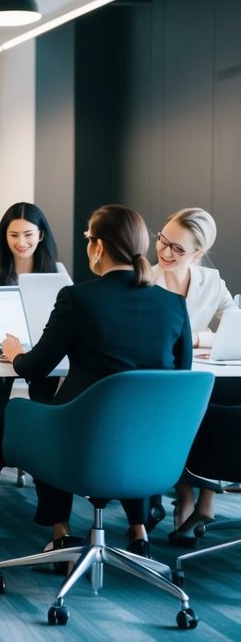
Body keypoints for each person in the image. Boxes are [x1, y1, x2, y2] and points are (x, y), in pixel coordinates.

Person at [1, 204, 191, 562]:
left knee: (42, 412)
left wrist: (14, 351)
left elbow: (36, 367)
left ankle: (62, 533)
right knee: (134, 419)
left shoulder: (77, 298)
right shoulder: (173, 305)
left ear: (98, 247)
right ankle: (139, 530)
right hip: (153, 445)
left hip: (81, 441)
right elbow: (181, 378)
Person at [0, 202, 62, 505]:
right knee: (9, 397)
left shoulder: (56, 272)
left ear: (42, 235)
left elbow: (62, 322)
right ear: (4, 237)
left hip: (40, 351)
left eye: (28, 234)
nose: (21, 242)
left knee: (41, 396)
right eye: (14, 235)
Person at [151, 208, 237, 543]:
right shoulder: (144, 278)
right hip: (158, 378)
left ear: (198, 254)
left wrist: (198, 338)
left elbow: (235, 326)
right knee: (185, 407)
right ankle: (187, 494)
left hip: (197, 374)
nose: (165, 252)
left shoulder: (210, 281)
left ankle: (206, 499)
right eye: (163, 240)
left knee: (216, 398)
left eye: (178, 249)